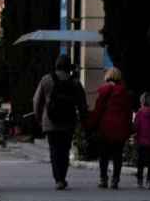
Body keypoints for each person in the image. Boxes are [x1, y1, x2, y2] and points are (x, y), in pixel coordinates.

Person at [33, 54, 88, 190]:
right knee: (65, 150)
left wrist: (39, 117)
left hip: (50, 121)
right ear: (69, 66)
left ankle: (57, 178)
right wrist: (83, 119)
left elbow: (36, 100)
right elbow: (82, 103)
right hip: (68, 122)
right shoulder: (75, 82)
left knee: (54, 150)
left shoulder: (46, 79)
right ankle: (62, 177)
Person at [88, 67, 132, 189]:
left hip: (105, 128)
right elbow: (128, 112)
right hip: (120, 128)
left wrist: (91, 124)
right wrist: (128, 128)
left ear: (107, 77)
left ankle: (103, 179)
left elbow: (98, 110)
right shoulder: (125, 93)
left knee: (104, 155)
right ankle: (115, 180)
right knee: (118, 155)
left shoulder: (103, 92)